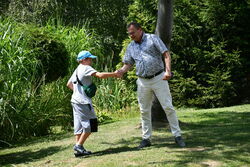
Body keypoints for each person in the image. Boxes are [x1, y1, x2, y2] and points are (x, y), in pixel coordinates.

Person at [116, 22, 186, 148]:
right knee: (144, 110)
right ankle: (146, 139)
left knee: (168, 107)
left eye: (132, 33)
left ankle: (177, 136)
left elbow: (166, 54)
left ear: (140, 30)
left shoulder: (152, 38)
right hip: (142, 81)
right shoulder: (131, 46)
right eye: (129, 34)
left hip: (159, 78)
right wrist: (121, 71)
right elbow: (128, 64)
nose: (131, 35)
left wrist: (168, 70)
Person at [67, 50, 117, 157]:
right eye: (90, 59)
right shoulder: (86, 67)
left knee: (79, 126)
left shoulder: (77, 69)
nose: (91, 61)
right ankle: (79, 146)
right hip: (83, 102)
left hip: (74, 101)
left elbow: (69, 84)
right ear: (84, 60)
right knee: (92, 124)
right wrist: (115, 74)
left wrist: (78, 92)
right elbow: (100, 75)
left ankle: (78, 150)